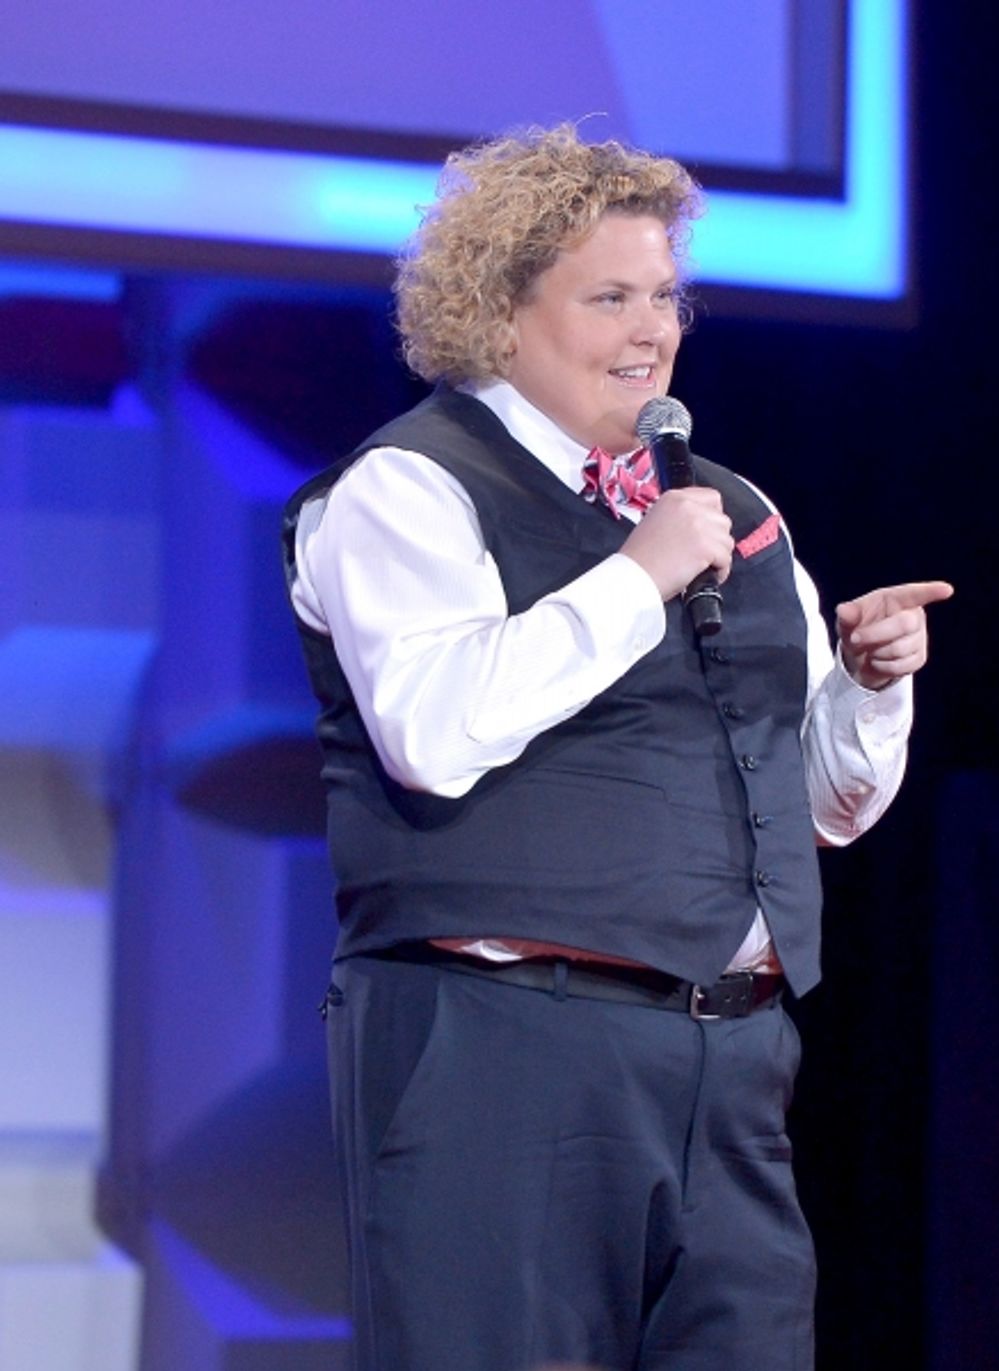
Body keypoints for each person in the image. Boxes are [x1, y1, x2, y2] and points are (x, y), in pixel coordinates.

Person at [282, 124, 952, 1371]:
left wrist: (867, 692)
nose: (651, 332)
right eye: (610, 299)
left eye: (665, 298)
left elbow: (823, 809)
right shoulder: (407, 489)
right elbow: (433, 729)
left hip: (732, 1057)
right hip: (499, 1049)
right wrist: (636, 579)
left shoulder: (731, 513)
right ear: (497, 312)